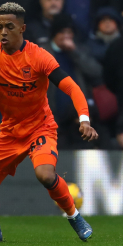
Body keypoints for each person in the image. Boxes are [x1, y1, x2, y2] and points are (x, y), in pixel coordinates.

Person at [0, 2, 97, 243]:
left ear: (22, 28)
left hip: (40, 127)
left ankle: (74, 216)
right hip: (10, 132)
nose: (3, 32)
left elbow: (72, 87)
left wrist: (84, 120)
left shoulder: (39, 56)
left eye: (9, 27)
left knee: (45, 175)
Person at [41, 14, 103, 148]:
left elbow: (96, 71)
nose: (66, 36)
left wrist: (74, 52)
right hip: (53, 114)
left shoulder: (80, 50)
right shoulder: (42, 52)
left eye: (69, 32)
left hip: (77, 117)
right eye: (62, 32)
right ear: (54, 34)